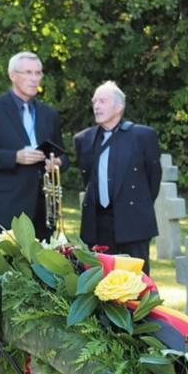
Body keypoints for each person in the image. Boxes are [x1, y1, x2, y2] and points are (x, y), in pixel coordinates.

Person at [0, 51, 63, 237]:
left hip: (44, 209)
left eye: (38, 73)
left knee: (45, 264)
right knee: (10, 265)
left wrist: (57, 163)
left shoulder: (49, 114)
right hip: (8, 205)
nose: (34, 78)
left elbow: (61, 154)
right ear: (13, 76)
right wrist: (14, 157)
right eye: (28, 72)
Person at [73, 81, 163, 261]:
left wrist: (138, 205)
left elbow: (153, 178)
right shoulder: (83, 139)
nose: (96, 106)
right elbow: (88, 178)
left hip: (132, 220)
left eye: (102, 101)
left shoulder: (142, 136)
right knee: (100, 280)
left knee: (136, 281)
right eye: (94, 101)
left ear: (119, 106)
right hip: (97, 224)